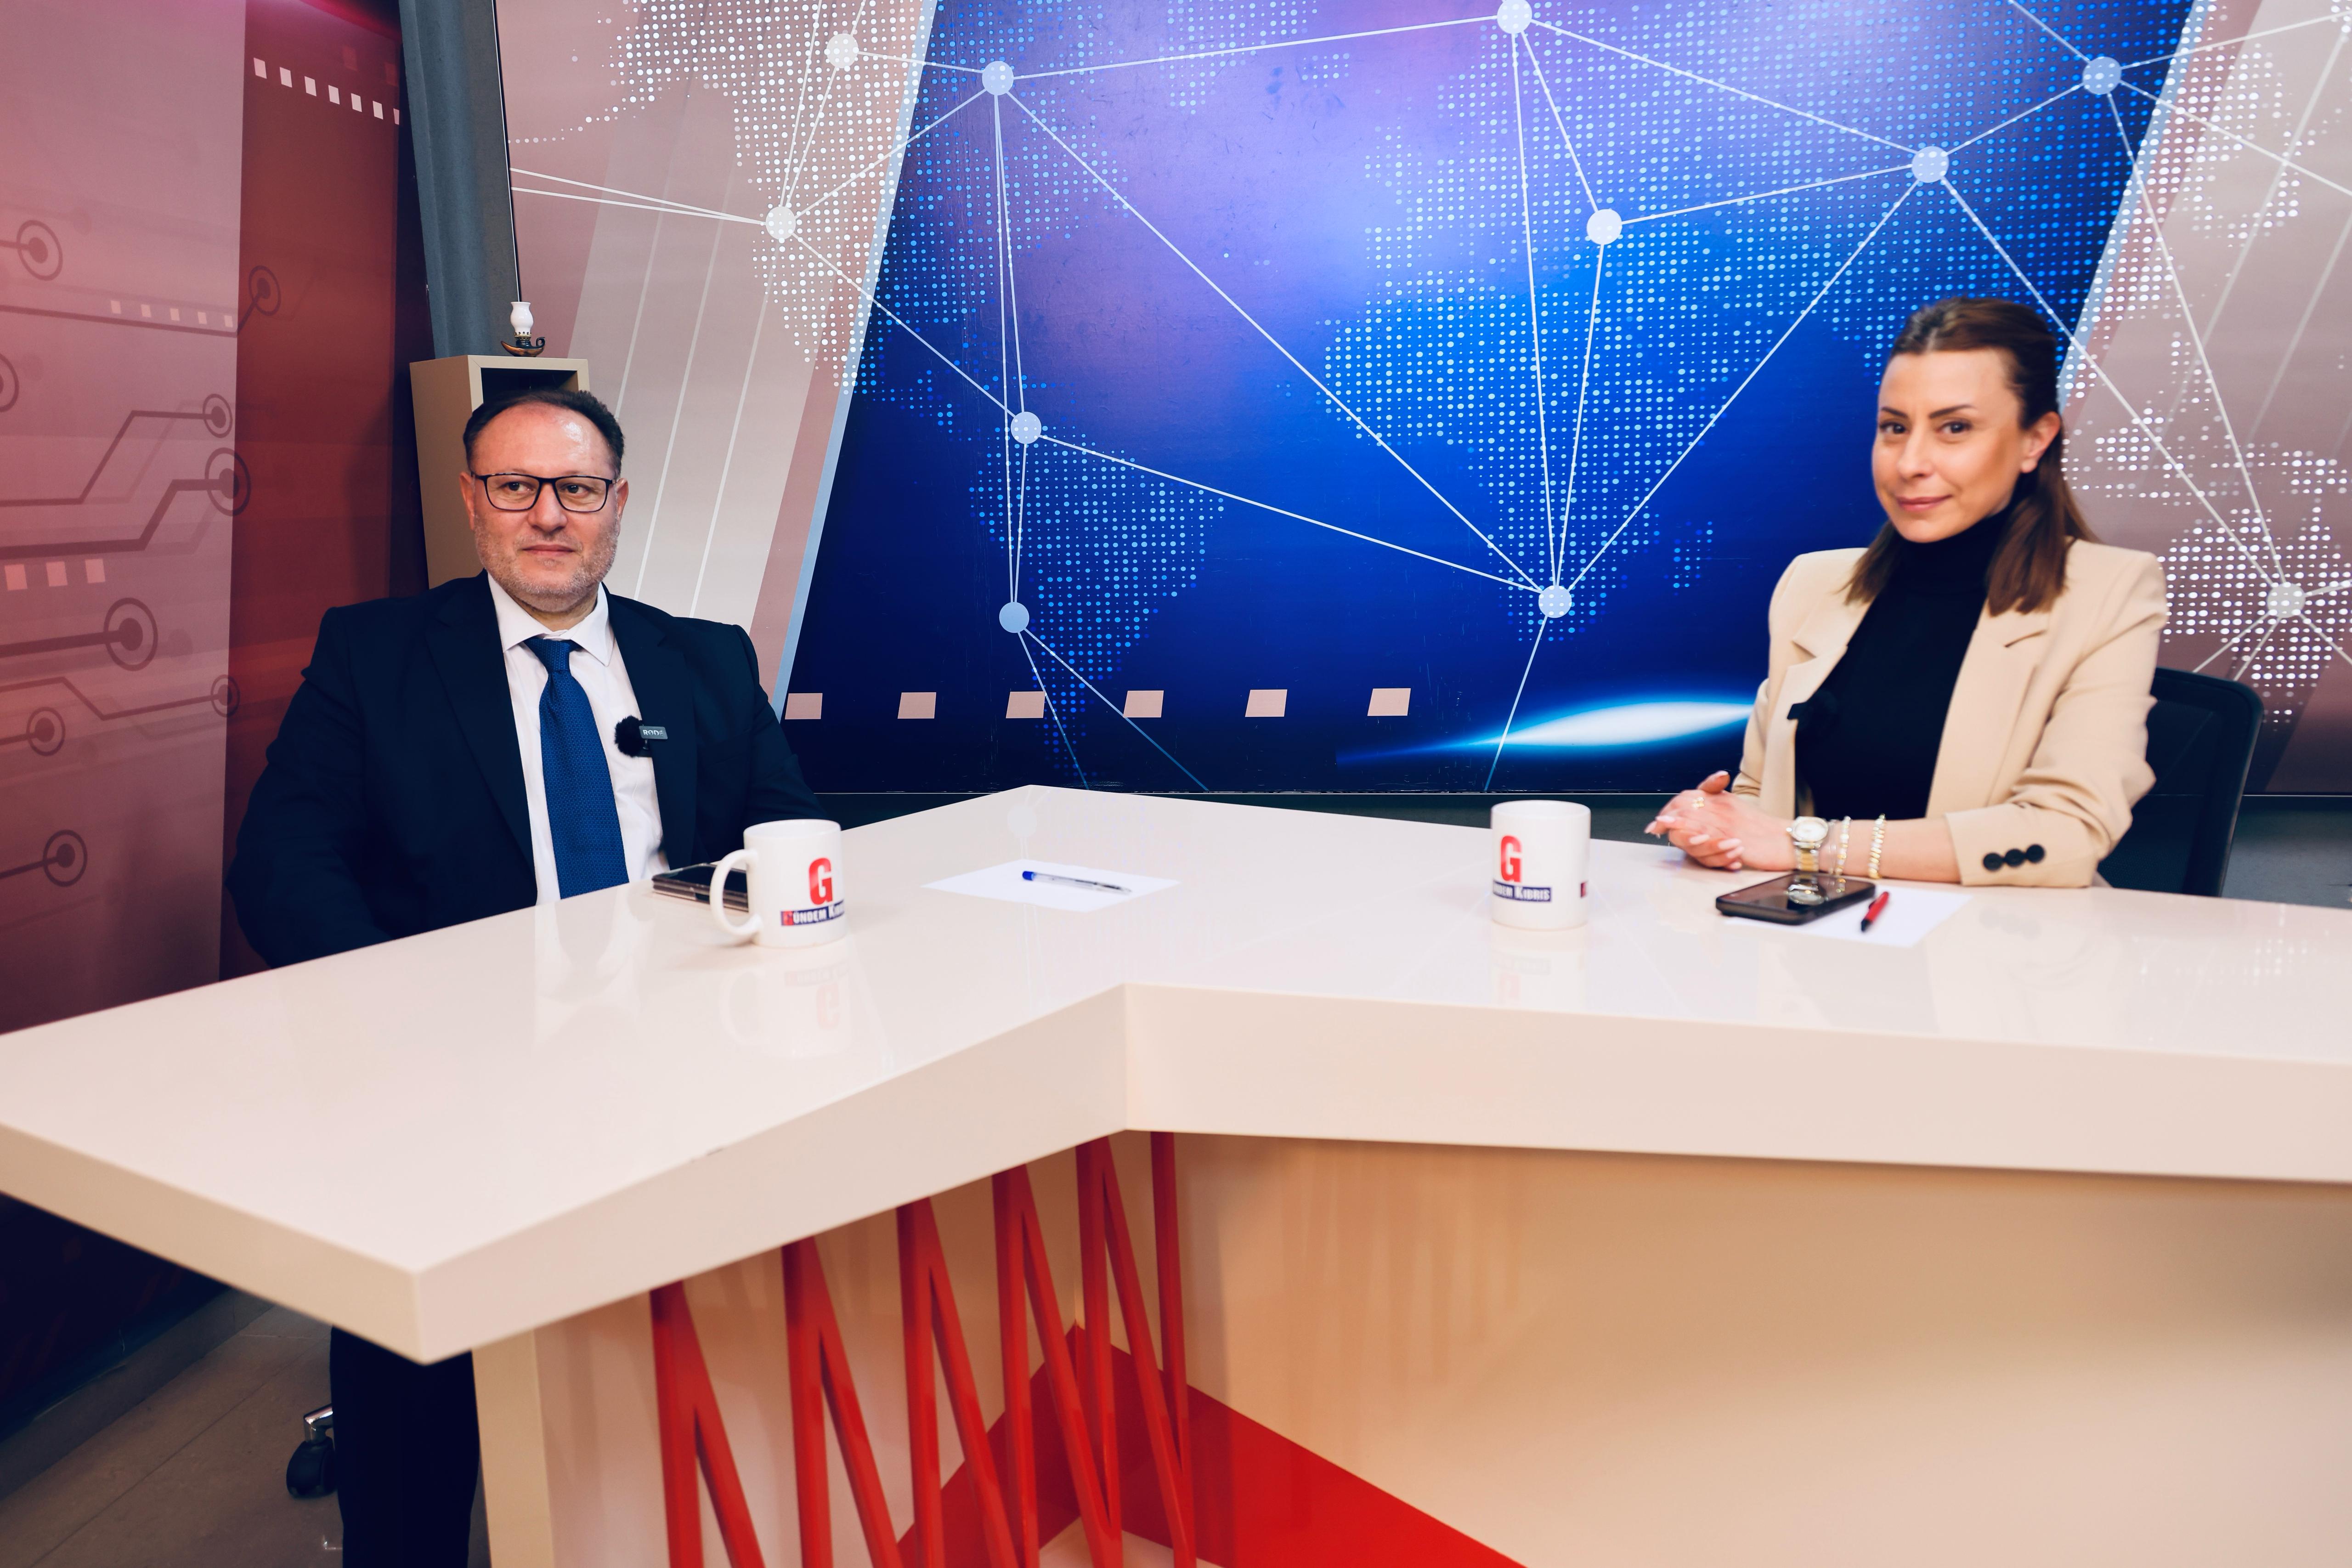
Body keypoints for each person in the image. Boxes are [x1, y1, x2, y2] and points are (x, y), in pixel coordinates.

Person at [228, 386, 820, 1564]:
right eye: (516, 486)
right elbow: (284, 859)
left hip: (679, 1058)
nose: (549, 515)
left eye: (578, 488)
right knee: (418, 1400)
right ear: (472, 499)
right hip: (451, 1079)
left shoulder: (704, 657)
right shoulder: (377, 654)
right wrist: (400, 1011)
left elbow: (790, 827)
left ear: (618, 502)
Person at [1647, 297, 2166, 887]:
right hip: (1817, 931)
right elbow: (1763, 798)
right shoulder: (1812, 585)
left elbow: (2067, 833)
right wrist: (1719, 827)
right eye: (1894, 427)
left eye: (1954, 428)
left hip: (2000, 938)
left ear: (2034, 440)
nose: (1910, 462)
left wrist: (1807, 843)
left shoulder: (2110, 590)